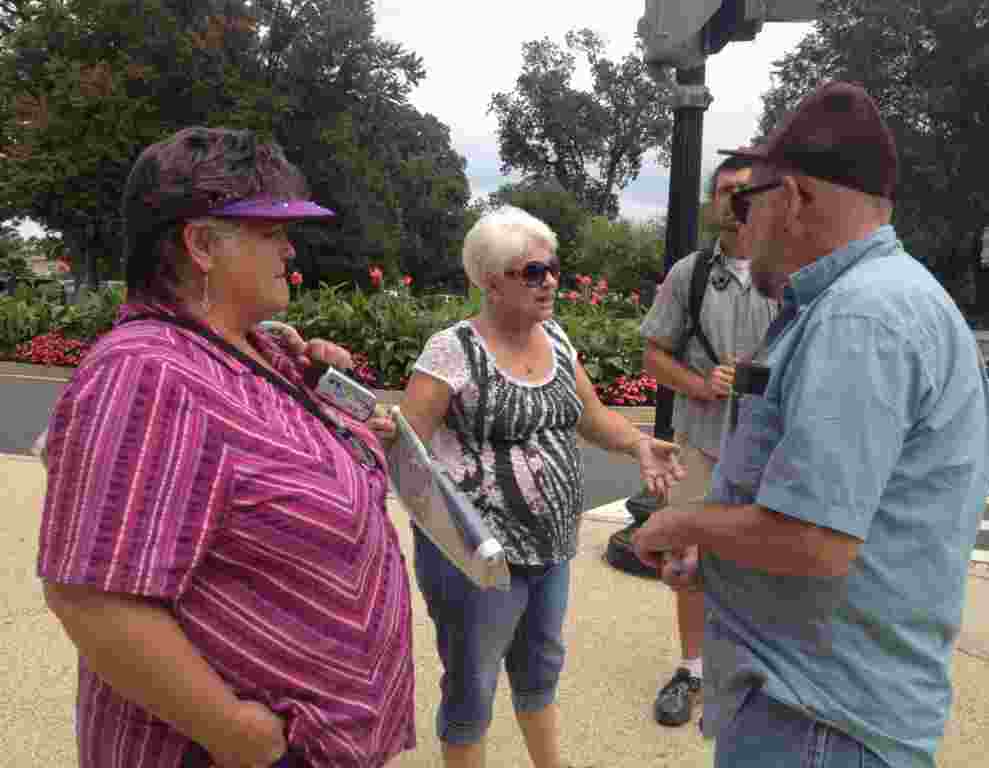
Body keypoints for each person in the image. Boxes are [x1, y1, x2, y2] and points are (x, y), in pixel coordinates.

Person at [633, 81, 989, 768]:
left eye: (747, 204)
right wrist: (723, 554)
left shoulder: (859, 319)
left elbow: (815, 541)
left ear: (794, 198)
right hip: (834, 713)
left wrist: (681, 524)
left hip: (817, 722)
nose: (738, 227)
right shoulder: (891, 301)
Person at [36, 126, 414, 768]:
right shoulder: (148, 372)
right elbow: (91, 596)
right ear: (202, 244)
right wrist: (240, 733)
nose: (290, 249)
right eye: (271, 231)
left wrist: (330, 396)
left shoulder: (252, 348)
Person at [388, 206, 685, 768]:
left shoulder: (554, 337)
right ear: (491, 280)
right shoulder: (453, 350)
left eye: (551, 268)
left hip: (550, 547)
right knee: (473, 680)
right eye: (532, 271)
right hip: (478, 558)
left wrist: (637, 444)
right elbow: (407, 450)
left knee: (540, 664)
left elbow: (591, 415)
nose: (549, 280)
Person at [639, 155, 779, 727]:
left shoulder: (793, 272)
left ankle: (749, 673)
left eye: (744, 191)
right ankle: (693, 668)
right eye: (724, 191)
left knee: (765, 560)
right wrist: (700, 384)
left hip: (772, 447)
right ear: (714, 201)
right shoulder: (689, 274)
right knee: (689, 559)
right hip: (700, 441)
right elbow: (652, 354)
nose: (733, 201)